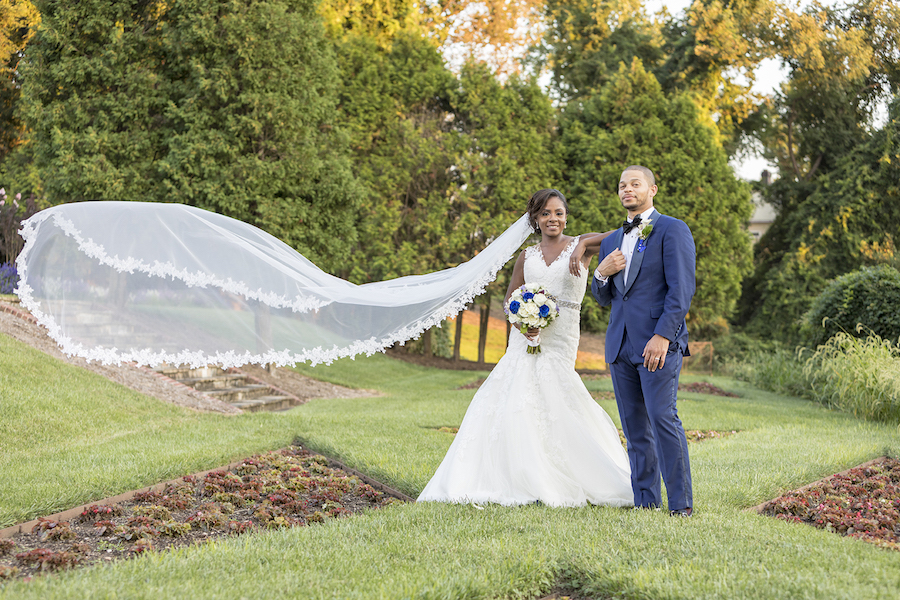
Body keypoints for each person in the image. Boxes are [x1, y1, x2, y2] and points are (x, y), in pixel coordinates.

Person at [417, 189, 633, 507]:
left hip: (561, 336)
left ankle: (572, 470)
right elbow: (509, 299)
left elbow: (623, 234)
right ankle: (515, 474)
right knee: (514, 392)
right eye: (545, 213)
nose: (553, 219)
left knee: (558, 391)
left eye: (559, 212)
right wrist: (521, 323)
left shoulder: (582, 245)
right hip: (524, 336)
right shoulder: (526, 256)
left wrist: (584, 244)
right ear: (535, 219)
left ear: (566, 216)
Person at [586, 165, 696, 517]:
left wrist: (662, 335)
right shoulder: (610, 241)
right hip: (620, 346)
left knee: (663, 419)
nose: (627, 189)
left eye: (635, 184)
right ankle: (646, 502)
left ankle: (680, 505)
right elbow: (603, 298)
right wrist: (602, 272)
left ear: (653, 189)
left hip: (658, 345)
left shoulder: (672, 229)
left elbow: (681, 291)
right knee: (634, 429)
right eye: (622, 185)